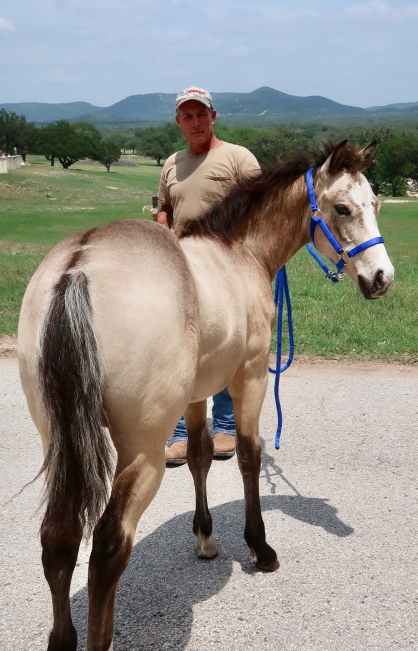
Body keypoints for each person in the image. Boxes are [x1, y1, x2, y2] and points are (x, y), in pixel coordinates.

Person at [156, 86, 260, 467]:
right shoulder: (172, 163)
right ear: (178, 122)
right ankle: (181, 432)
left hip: (228, 268)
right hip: (183, 269)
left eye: (202, 114)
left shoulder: (238, 158)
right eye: (188, 116)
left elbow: (259, 208)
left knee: (229, 344)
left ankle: (227, 426)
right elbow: (165, 208)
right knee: (183, 347)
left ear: (214, 117)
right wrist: (162, 228)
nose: (195, 122)